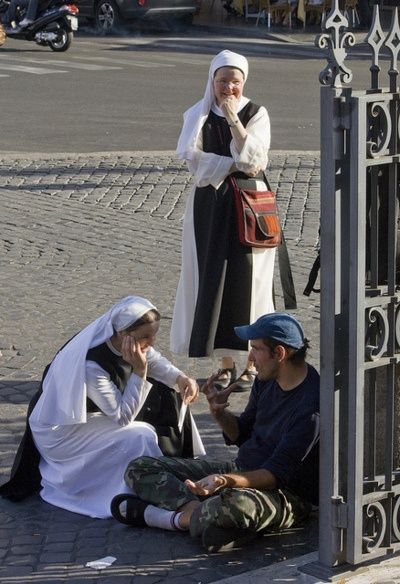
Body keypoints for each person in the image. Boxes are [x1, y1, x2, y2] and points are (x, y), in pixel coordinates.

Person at [111, 313, 320, 552]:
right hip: (242, 470)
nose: (251, 358)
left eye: (256, 349)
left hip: (286, 493)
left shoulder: (310, 408)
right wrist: (220, 414)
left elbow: (275, 474)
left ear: (280, 353)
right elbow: (242, 434)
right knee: (140, 467)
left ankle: (173, 519)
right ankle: (197, 517)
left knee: (233, 505)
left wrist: (226, 482)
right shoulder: (267, 379)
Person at [0, 295, 205, 518]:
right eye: (146, 336)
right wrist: (139, 371)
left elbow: (154, 360)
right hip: (62, 432)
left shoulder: (130, 343)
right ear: (123, 334)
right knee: (139, 435)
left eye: (154, 334)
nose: (152, 342)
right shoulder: (91, 364)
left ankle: (170, 467)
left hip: (93, 414)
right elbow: (122, 416)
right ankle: (145, 489)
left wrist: (182, 378)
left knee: (170, 390)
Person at [170, 49, 277, 393]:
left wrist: (233, 121)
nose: (228, 87)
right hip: (210, 207)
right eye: (222, 80)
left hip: (248, 207)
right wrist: (233, 163)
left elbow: (255, 159)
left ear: (243, 81)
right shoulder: (196, 115)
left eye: (235, 80)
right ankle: (226, 363)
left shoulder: (256, 113)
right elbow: (194, 163)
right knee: (213, 279)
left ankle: (250, 362)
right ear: (212, 81)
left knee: (249, 281)